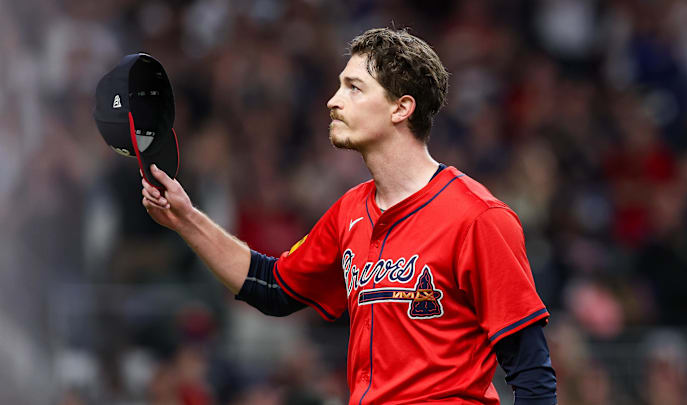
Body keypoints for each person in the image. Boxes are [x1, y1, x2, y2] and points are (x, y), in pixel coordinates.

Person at [141, 28, 557, 405]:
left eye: (354, 88)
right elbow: (272, 287)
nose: (333, 101)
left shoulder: (479, 217)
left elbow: (533, 375)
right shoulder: (349, 212)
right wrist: (186, 218)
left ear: (401, 108)